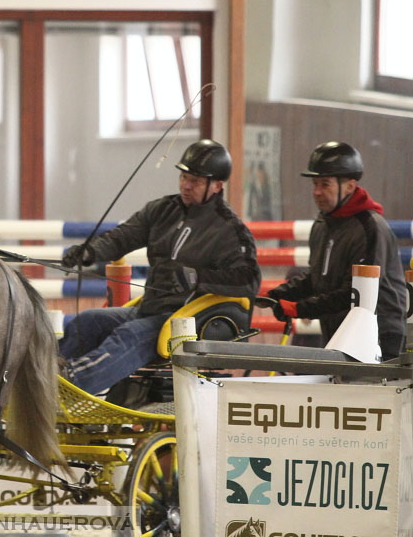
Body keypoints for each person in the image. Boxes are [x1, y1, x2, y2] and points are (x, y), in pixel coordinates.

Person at [60, 139, 261, 394]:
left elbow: (248, 279)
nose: (186, 186)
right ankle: (49, 374)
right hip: (151, 310)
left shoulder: (230, 230)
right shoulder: (162, 210)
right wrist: (88, 252)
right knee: (87, 321)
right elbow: (122, 237)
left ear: (218, 185)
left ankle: (70, 382)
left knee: (130, 335)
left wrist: (196, 277)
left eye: (196, 181)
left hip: (188, 321)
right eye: (184, 177)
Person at [267, 141, 406, 360]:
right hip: (340, 333)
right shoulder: (323, 224)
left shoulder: (370, 228)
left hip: (377, 338)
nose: (317, 192)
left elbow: (356, 292)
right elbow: (317, 277)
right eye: (314, 184)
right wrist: (278, 294)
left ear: (350, 186)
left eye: (325, 184)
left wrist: (300, 308)